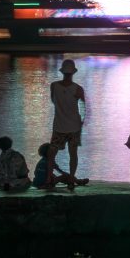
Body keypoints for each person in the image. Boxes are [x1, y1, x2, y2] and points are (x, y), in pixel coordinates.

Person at [47, 58, 86, 188]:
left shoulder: (54, 86)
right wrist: (81, 122)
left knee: (52, 153)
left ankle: (49, 178)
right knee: (73, 154)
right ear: (73, 73)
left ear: (63, 72)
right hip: (74, 127)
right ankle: (71, 180)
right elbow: (84, 108)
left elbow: (53, 101)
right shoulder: (78, 89)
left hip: (59, 126)